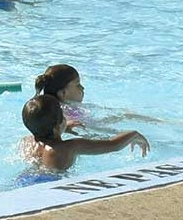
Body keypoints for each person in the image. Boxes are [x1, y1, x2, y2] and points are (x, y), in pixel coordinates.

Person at [19, 64, 150, 173]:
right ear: (57, 126)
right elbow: (112, 145)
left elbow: (46, 133)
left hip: (25, 178)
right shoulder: (71, 147)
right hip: (48, 185)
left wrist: (62, 129)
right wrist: (133, 134)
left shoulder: (27, 142)